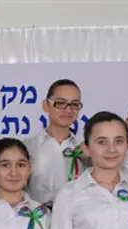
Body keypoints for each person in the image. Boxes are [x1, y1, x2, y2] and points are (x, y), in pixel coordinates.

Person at [25, 79, 86, 209]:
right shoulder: (27, 148)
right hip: (36, 220)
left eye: (74, 104)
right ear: (46, 105)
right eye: (61, 103)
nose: (68, 109)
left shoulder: (86, 150)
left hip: (76, 220)